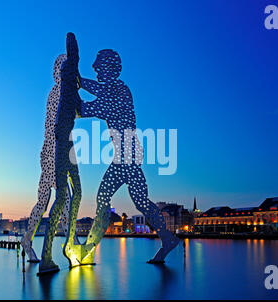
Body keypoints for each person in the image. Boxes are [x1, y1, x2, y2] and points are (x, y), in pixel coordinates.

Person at [70, 49, 180, 265]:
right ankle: (168, 238)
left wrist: (73, 89)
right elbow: (98, 90)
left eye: (99, 65)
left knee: (104, 198)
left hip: (126, 156)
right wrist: (79, 81)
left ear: (110, 68)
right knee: (141, 202)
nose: (94, 68)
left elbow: (86, 108)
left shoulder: (120, 93)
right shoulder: (115, 89)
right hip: (128, 155)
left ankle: (88, 249)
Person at [38, 33, 83, 274]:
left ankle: (69, 244)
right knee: (64, 197)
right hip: (62, 146)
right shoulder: (67, 88)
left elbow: (83, 110)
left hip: (69, 145)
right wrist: (71, 39)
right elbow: (74, 55)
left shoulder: (71, 93)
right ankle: (47, 256)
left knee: (76, 194)